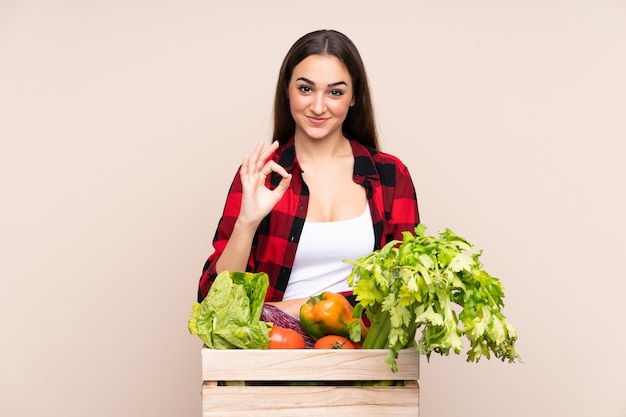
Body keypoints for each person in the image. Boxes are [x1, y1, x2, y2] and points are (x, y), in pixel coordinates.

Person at [197, 29, 420, 318]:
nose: (317, 106)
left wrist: (292, 309)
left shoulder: (390, 176)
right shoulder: (263, 174)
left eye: (335, 92)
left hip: (361, 352)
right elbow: (213, 304)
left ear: (354, 98)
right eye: (305, 89)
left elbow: (407, 294)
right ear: (287, 90)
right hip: (275, 350)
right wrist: (247, 223)